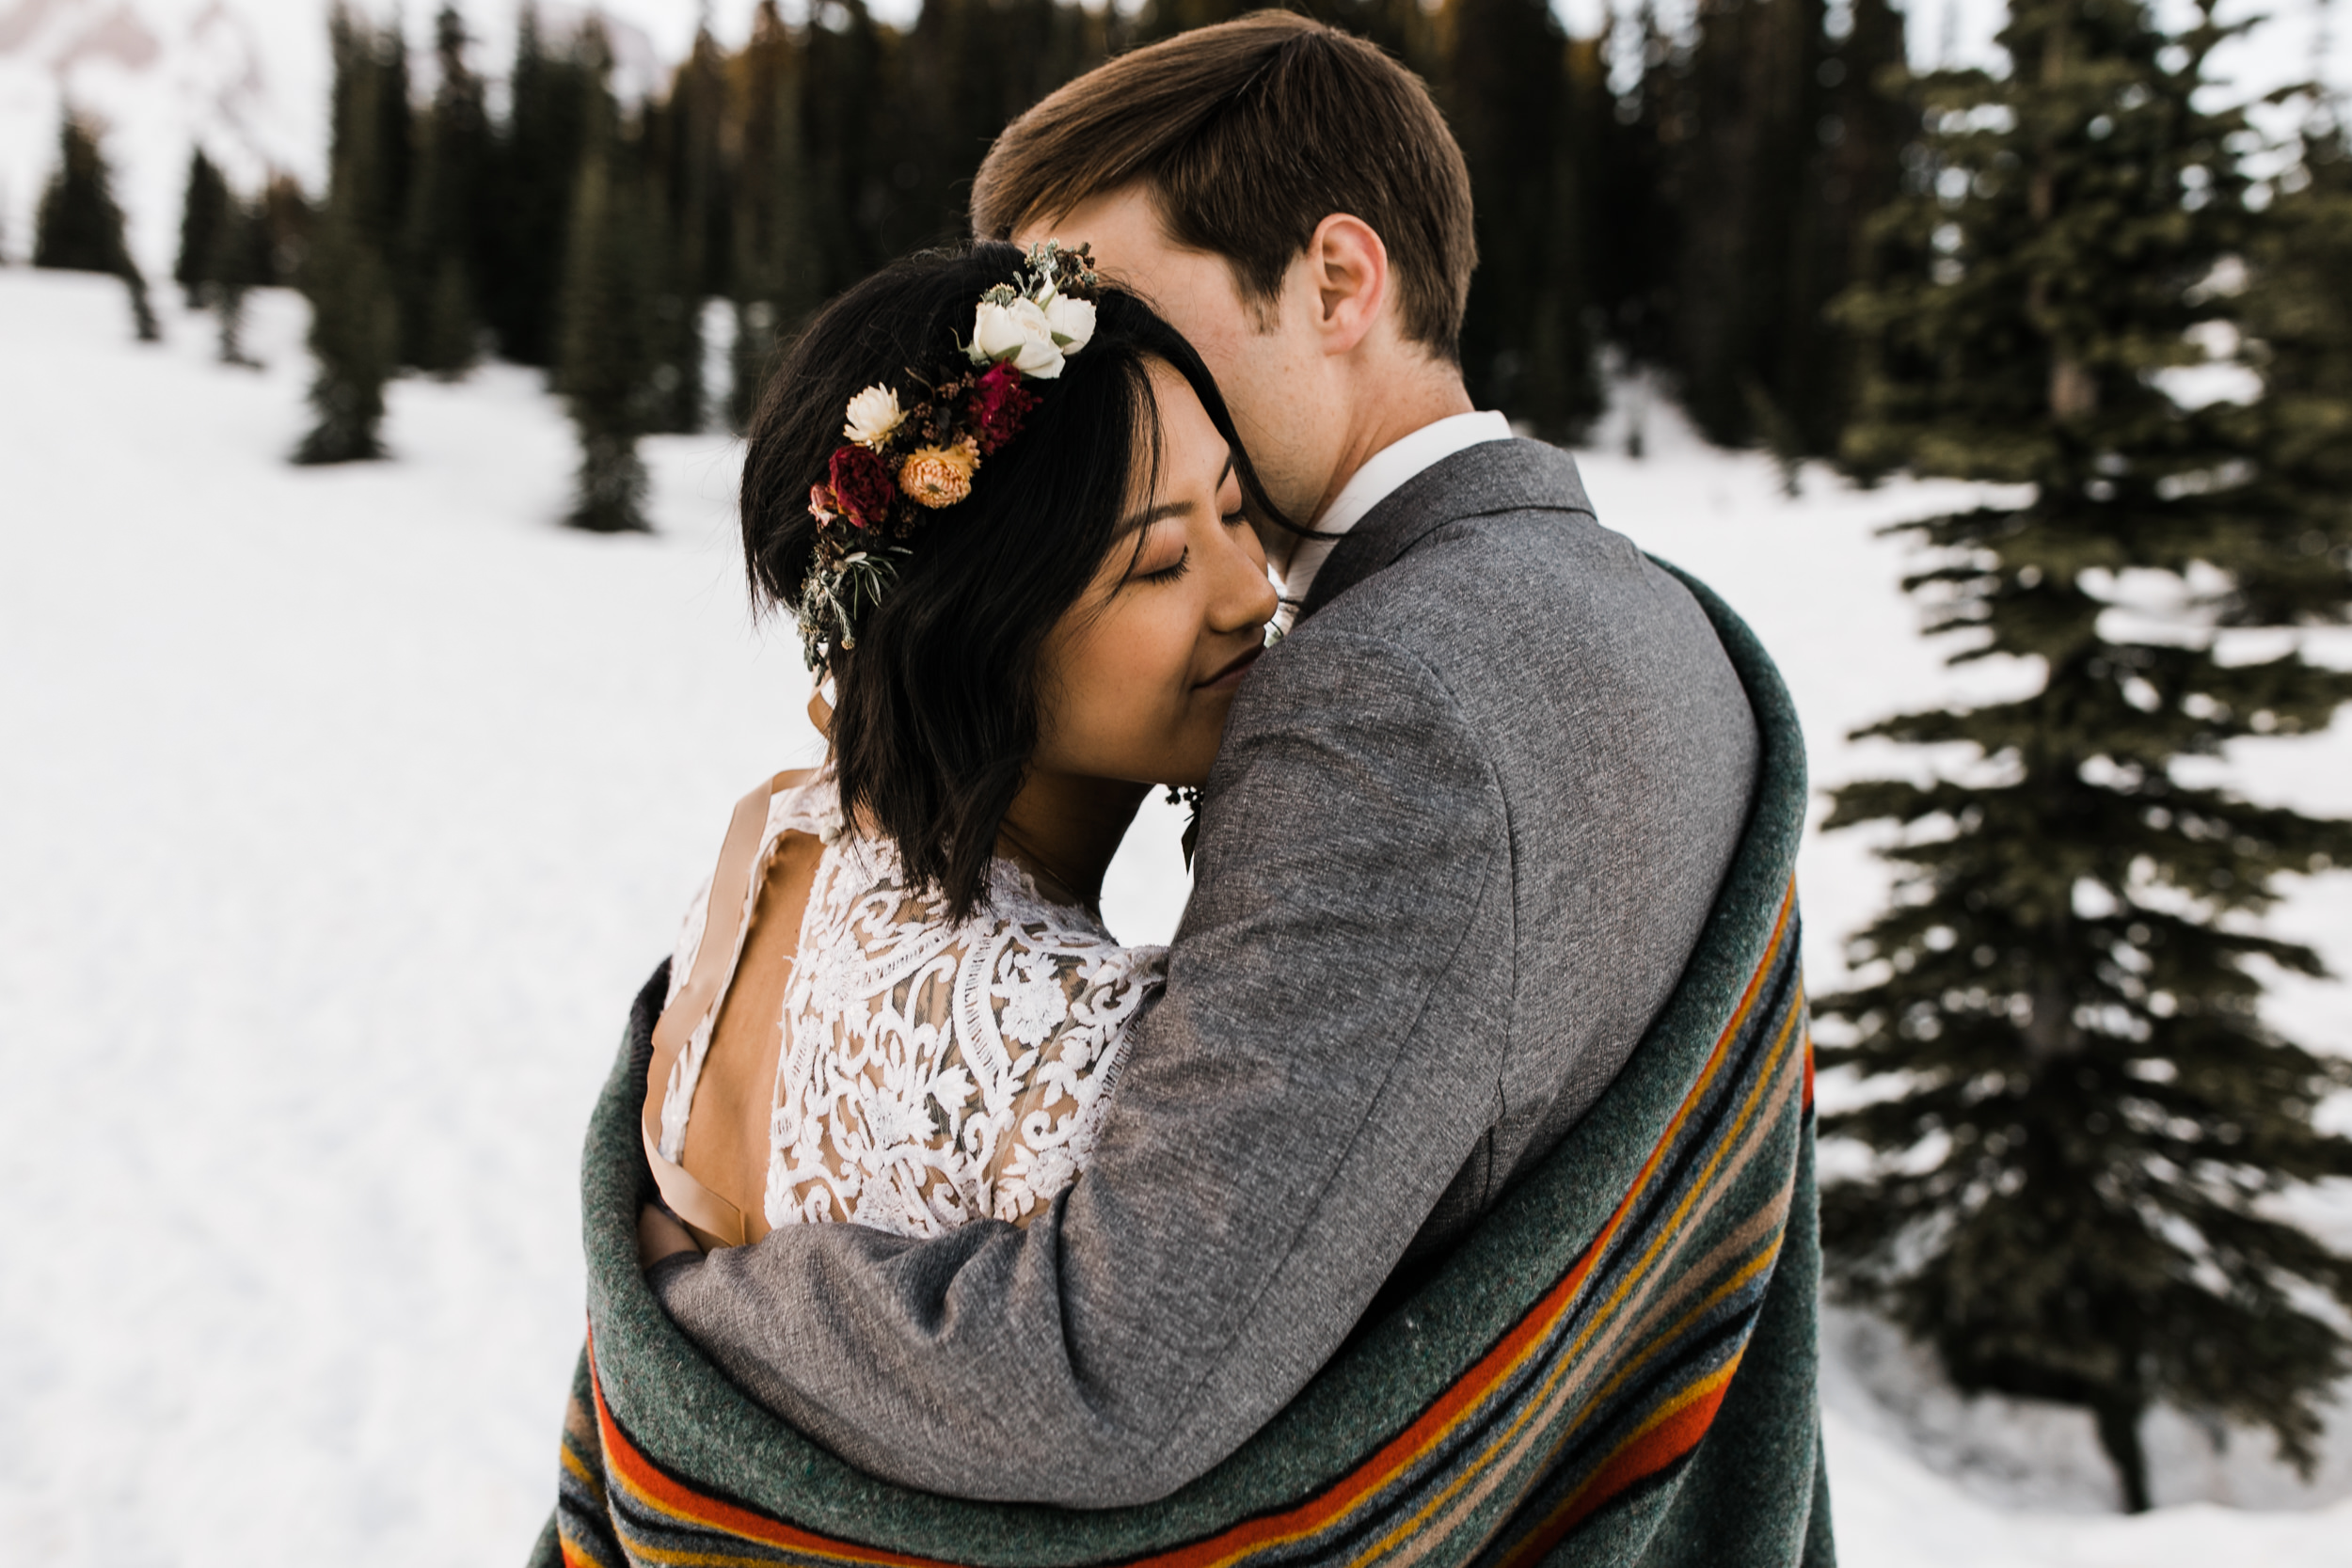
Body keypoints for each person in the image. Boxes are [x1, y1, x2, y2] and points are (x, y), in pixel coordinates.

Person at [632, 8, 1789, 1519]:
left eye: (1107, 301)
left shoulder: (1382, 698)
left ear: (1336, 279)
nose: (1082, 372)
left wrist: (683, 1305)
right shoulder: (1655, 615)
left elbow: (1112, 1374)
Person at [633, 241, 1279, 1261]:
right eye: (1162, 562)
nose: (1254, 592)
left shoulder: (774, 840)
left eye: (1238, 508)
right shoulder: (1075, 1047)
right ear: (979, 636)